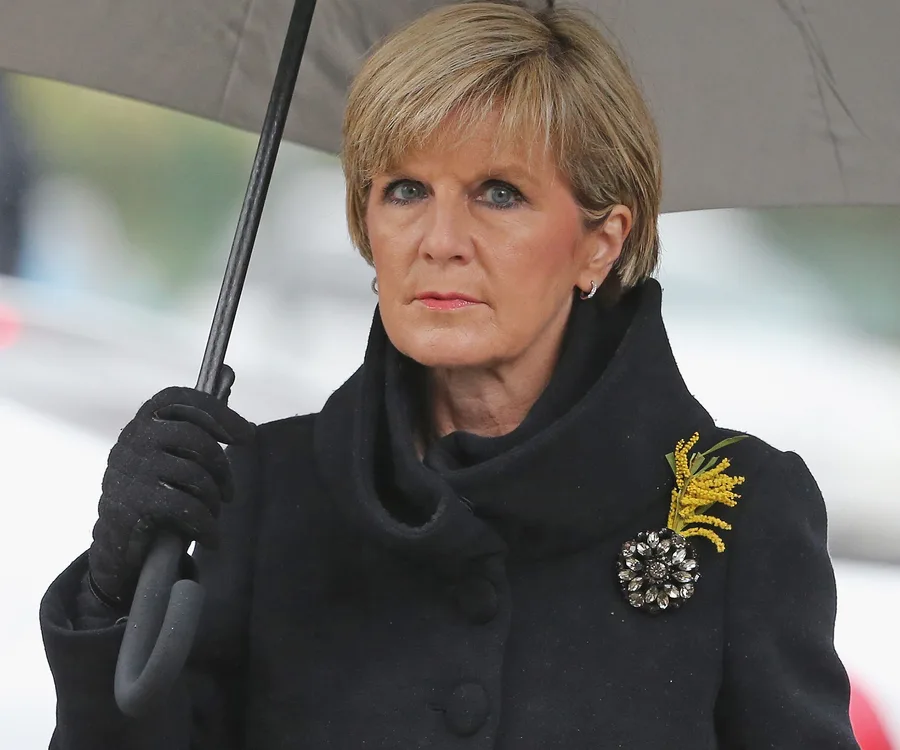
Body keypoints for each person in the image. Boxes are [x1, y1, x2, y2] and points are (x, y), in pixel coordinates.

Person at [40, 3, 860, 748]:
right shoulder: (260, 494)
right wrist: (113, 597)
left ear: (601, 241)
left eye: (497, 193)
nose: (439, 239)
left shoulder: (745, 512)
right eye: (404, 189)